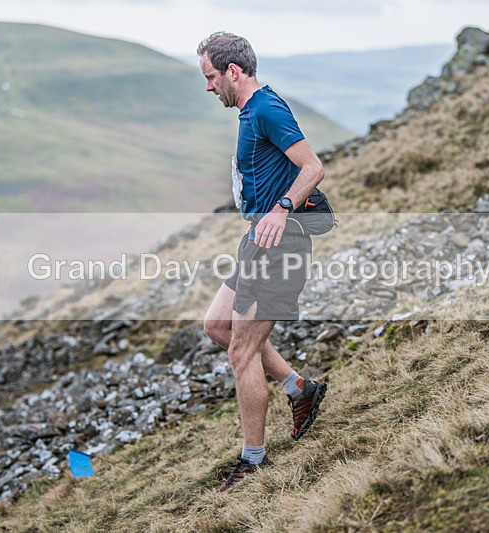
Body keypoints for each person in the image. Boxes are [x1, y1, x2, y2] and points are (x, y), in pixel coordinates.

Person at [197, 31, 329, 492]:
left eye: (212, 77)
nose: (209, 86)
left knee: (241, 351)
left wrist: (281, 208)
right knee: (218, 326)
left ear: (234, 71)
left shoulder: (267, 108)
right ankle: (300, 389)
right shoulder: (251, 110)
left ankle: (253, 460)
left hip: (280, 245)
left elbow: (312, 167)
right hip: (258, 241)